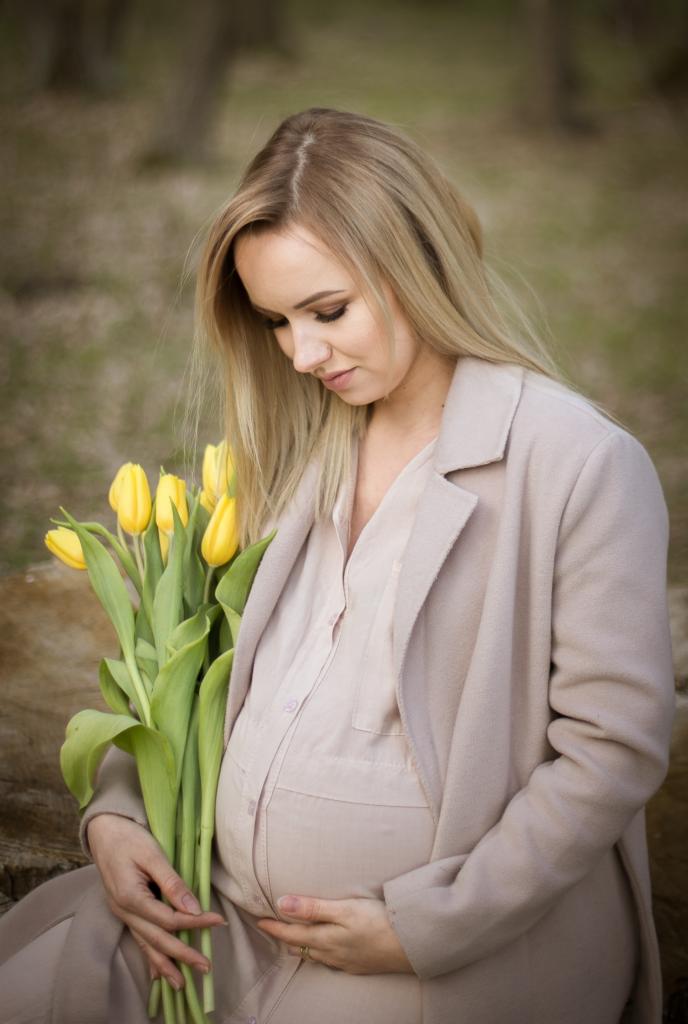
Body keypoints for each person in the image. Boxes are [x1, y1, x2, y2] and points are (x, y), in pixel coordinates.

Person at [0, 107, 675, 1024]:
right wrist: (119, 812)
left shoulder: (576, 463)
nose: (304, 354)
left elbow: (612, 751)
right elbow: (193, 675)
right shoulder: (295, 453)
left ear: (419, 263)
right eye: (277, 321)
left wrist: (424, 928)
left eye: (328, 311)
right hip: (220, 919)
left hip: (441, 961)